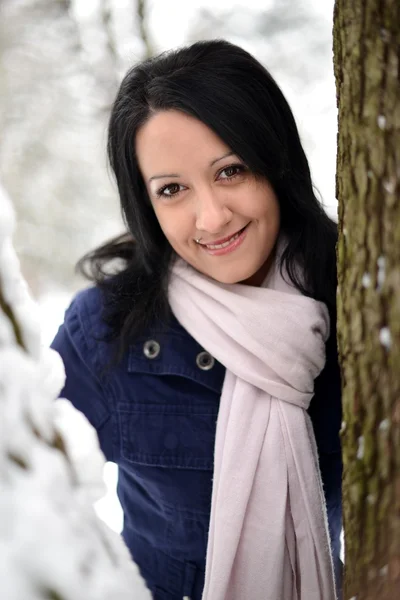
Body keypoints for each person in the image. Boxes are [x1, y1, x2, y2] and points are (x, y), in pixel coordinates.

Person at [51, 39, 342, 600]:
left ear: (275, 162)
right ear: (146, 203)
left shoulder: (354, 307)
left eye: (231, 170)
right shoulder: (107, 330)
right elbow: (30, 496)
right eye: (173, 189)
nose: (210, 217)